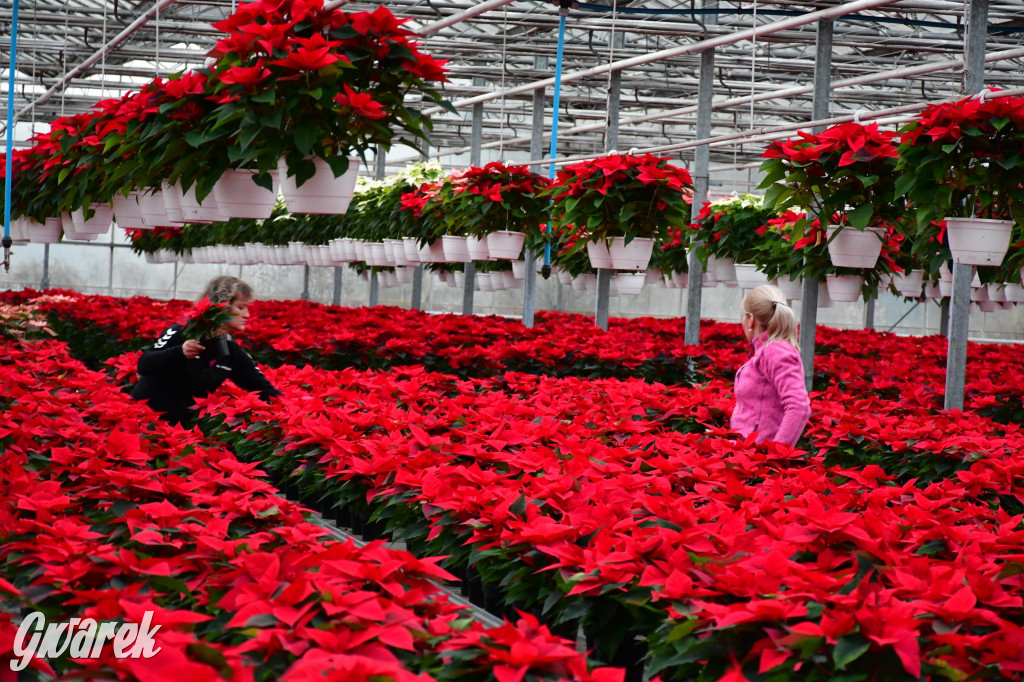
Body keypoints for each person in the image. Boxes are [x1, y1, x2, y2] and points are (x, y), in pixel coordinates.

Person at [131, 276, 280, 425]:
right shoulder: (182, 331)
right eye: (241, 308)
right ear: (222, 307)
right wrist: (180, 352)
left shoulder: (230, 349)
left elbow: (262, 388)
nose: (247, 315)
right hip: (143, 420)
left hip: (179, 427)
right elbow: (145, 365)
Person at [730, 284, 811, 446]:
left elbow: (798, 407)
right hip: (748, 451)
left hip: (759, 454)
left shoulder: (775, 351)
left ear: (751, 320)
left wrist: (776, 454)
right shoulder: (767, 349)